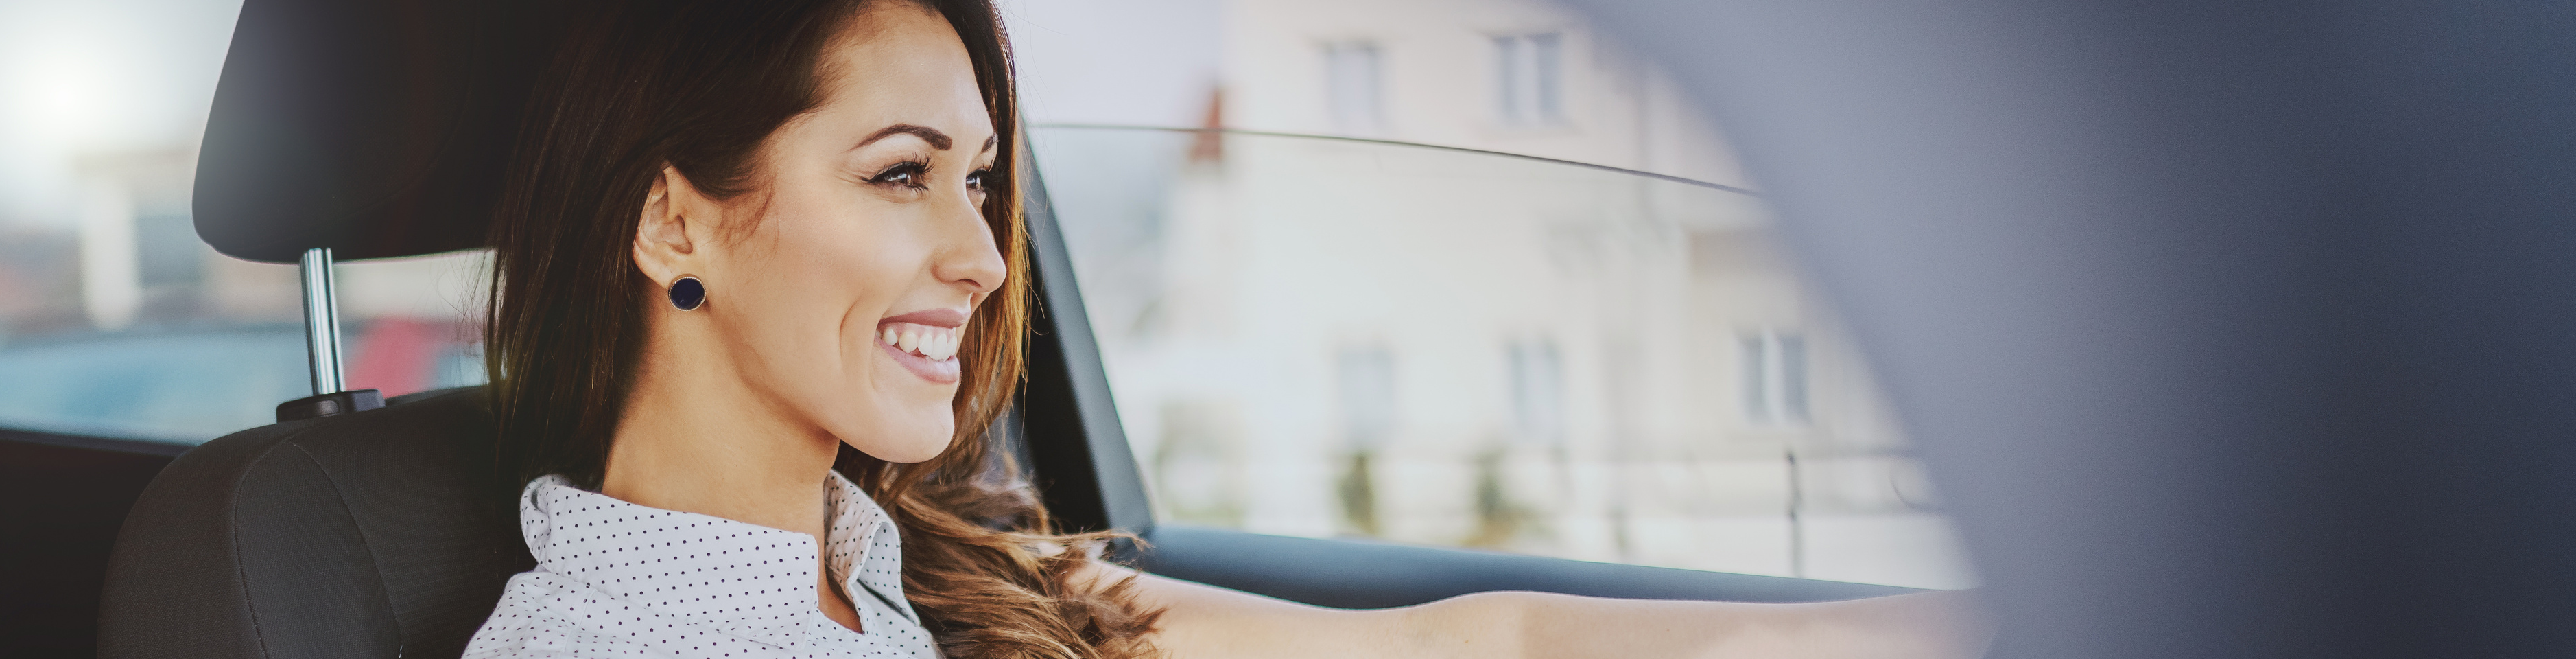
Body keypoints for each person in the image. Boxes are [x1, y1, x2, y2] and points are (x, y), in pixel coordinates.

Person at [460, 1, 1992, 657]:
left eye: (980, 182)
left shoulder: (912, 572)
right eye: (901, 176)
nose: (978, 257)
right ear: (672, 221)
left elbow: (1486, 639)